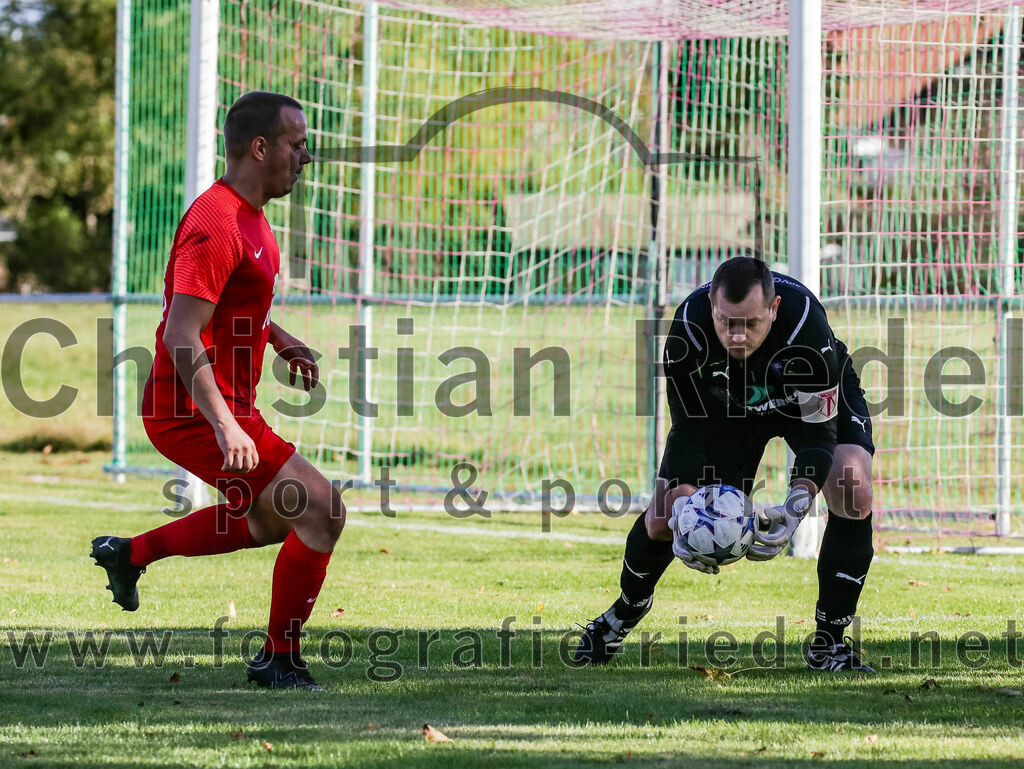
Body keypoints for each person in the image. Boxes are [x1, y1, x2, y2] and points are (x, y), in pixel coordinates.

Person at [91, 91, 342, 690]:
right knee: (321, 510)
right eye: (296, 144)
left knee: (270, 521)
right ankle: (278, 659)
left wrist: (276, 336)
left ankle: (131, 554)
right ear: (260, 147)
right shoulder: (215, 219)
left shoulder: (252, 218)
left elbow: (227, 303)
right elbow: (181, 331)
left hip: (223, 405)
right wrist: (226, 425)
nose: (304, 156)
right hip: (190, 409)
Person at [574, 255, 876, 672]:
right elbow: (688, 435)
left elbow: (819, 436)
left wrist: (794, 509)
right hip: (727, 411)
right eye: (725, 321)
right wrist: (683, 508)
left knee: (852, 485)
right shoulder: (688, 333)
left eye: (751, 323)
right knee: (661, 517)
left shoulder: (808, 330)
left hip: (802, 407)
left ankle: (829, 644)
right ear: (712, 308)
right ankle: (622, 613)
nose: (737, 335)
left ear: (774, 310)